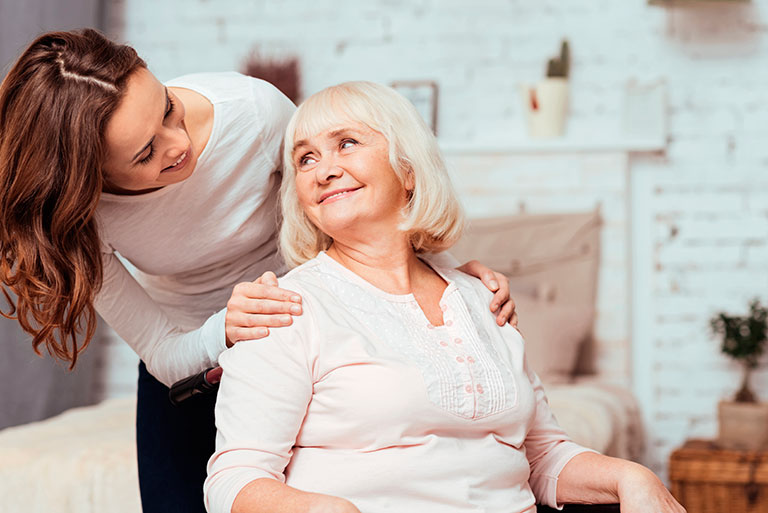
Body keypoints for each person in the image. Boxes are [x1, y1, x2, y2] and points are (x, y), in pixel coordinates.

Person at [0, 29, 517, 513]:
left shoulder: (251, 111)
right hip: (189, 363)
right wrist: (224, 327)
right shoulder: (75, 220)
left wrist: (445, 281)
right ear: (88, 177)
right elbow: (162, 351)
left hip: (302, 339)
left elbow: (344, 208)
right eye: (145, 153)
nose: (177, 143)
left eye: (168, 108)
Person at [204, 81, 686, 513]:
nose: (323, 171)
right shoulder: (284, 307)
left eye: (346, 144)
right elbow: (234, 480)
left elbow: (541, 454)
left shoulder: (482, 298)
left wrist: (632, 476)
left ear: (408, 170)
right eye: (305, 158)